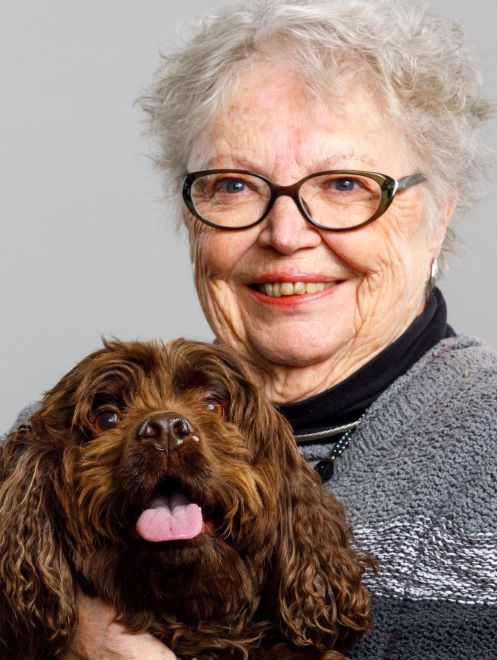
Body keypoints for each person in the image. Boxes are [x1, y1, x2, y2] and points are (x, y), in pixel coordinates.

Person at [23, 0, 496, 658]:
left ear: (438, 213)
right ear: (192, 218)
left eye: (344, 184)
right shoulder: (53, 447)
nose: (286, 235)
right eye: (235, 186)